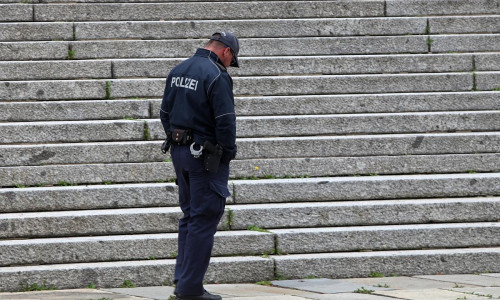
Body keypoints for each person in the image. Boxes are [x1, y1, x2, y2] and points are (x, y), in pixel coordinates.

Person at [159, 31, 240, 300]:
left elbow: (165, 113)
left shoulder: (178, 69)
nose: (229, 64)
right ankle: (190, 290)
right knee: (204, 218)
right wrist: (226, 153)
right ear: (226, 51)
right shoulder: (216, 74)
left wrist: (176, 138)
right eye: (231, 59)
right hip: (205, 158)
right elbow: (226, 120)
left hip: (180, 152)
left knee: (190, 216)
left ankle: (183, 282)